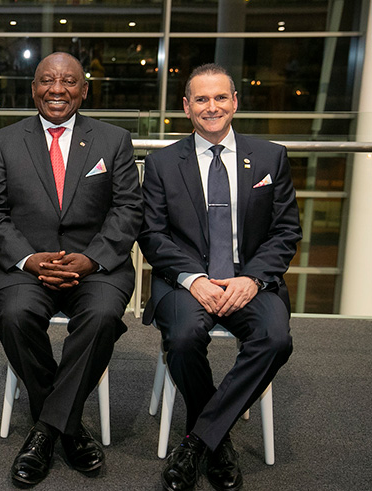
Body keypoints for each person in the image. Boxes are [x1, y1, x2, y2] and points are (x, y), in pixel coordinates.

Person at [0, 52, 142, 487]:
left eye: (69, 81)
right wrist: (30, 259)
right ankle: (68, 424)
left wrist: (92, 259)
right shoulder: (5, 141)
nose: (57, 89)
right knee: (14, 317)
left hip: (97, 265)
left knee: (103, 316)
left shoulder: (113, 140)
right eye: (47, 80)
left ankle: (46, 429)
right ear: (33, 89)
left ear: (84, 91)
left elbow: (129, 209)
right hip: (28, 265)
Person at [138, 63, 301, 491]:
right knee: (185, 337)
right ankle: (217, 438)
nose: (212, 107)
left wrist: (253, 280)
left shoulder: (270, 156)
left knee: (275, 338)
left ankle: (199, 440)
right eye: (202, 99)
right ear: (186, 107)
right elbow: (151, 235)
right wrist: (194, 279)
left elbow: (286, 231)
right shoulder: (160, 164)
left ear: (235, 102)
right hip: (185, 282)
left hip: (251, 280)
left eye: (220, 98)